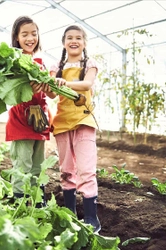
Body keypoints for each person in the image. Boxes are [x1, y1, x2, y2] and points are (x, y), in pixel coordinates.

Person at [48, 25, 101, 233]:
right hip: (62, 123)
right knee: (66, 170)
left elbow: (87, 85)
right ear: (63, 43)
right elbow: (52, 94)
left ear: (84, 43)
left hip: (84, 121)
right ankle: (70, 214)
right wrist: (51, 83)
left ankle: (91, 218)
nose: (74, 41)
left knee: (87, 170)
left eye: (78, 38)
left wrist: (63, 83)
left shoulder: (90, 64)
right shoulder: (56, 65)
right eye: (69, 37)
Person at [6, 16, 53, 207]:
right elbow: (10, 96)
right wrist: (29, 90)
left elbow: (50, 94)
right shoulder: (12, 63)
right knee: (22, 165)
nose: (30, 38)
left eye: (34, 33)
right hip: (21, 121)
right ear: (17, 38)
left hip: (39, 120)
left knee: (37, 166)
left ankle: (36, 202)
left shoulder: (41, 63)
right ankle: (20, 204)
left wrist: (49, 85)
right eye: (24, 34)